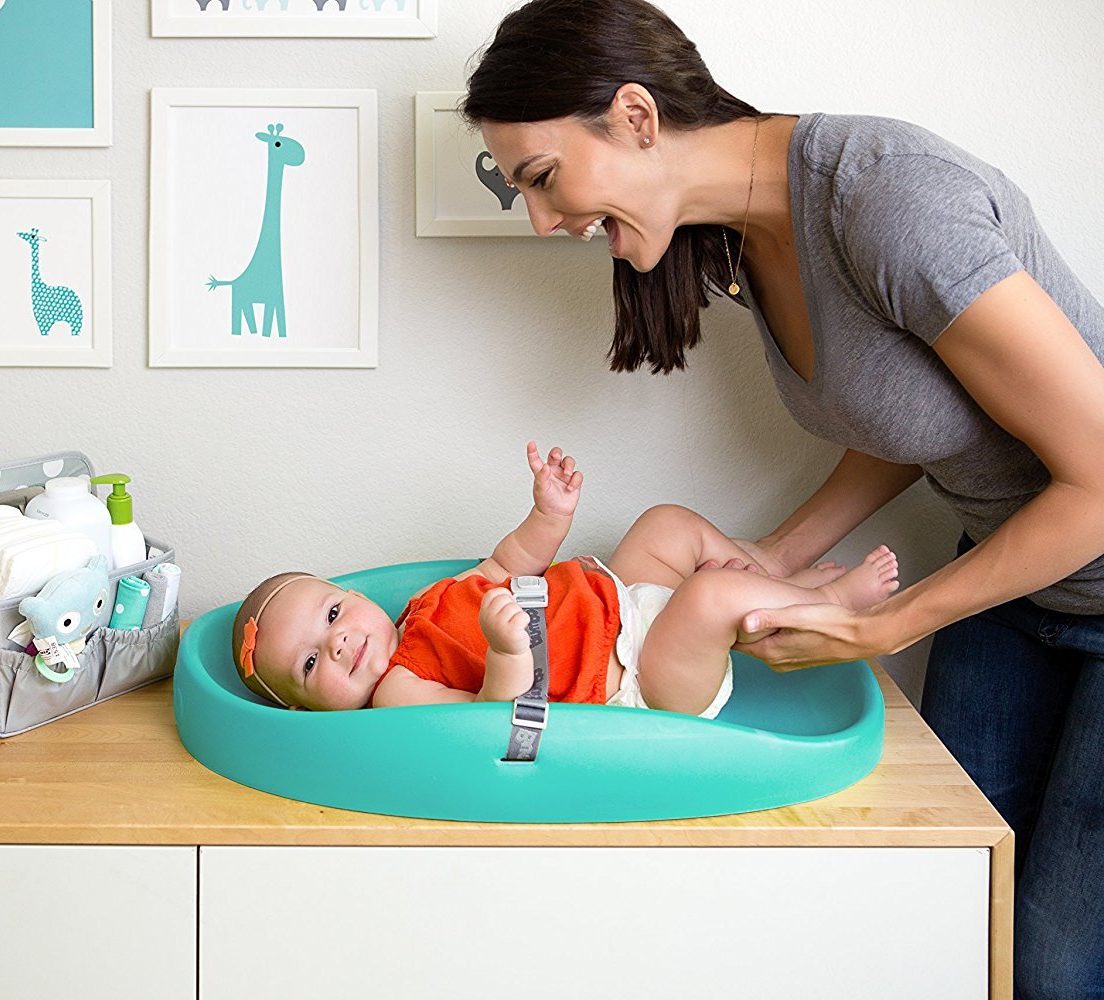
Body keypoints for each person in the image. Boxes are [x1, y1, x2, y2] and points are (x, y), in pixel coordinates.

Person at [459, 2, 1104, 996]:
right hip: (1013, 580)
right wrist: (780, 553)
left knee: (1056, 964)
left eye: (543, 179)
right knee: (957, 922)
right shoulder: (747, 240)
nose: (545, 221)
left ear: (635, 116)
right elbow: (916, 410)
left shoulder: (886, 199)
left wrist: (888, 624)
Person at [231, 442, 897, 715]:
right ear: (312, 709)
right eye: (313, 664)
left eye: (330, 617)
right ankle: (824, 603)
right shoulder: (396, 694)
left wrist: (547, 515)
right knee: (709, 596)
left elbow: (508, 563)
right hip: (632, 683)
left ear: (351, 594)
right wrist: (506, 651)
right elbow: (493, 720)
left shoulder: (420, 607)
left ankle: (775, 579)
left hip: (617, 603)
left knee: (666, 524)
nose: (341, 643)